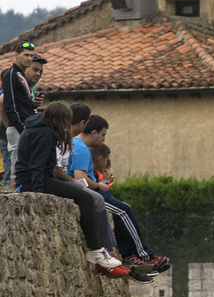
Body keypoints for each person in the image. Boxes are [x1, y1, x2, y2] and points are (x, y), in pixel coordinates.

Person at [14, 101, 125, 273]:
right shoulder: (45, 133)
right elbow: (37, 166)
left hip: (33, 179)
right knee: (87, 198)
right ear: (62, 119)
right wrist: (38, 193)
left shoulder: (37, 127)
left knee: (85, 196)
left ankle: (98, 249)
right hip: (34, 181)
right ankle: (96, 249)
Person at [70, 116, 169, 280]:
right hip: (89, 195)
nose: (103, 139)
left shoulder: (81, 147)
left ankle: (131, 259)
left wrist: (100, 184)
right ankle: (144, 255)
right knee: (123, 210)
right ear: (93, 132)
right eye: (103, 135)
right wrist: (99, 186)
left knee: (121, 211)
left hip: (93, 193)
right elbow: (80, 178)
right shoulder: (81, 148)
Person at [2, 41, 42, 167]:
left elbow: (21, 104)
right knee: (17, 168)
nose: (29, 58)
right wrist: (22, 128)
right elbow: (10, 105)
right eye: (26, 55)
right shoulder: (11, 74)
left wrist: (33, 105)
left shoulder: (21, 76)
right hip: (18, 128)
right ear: (17, 55)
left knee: (25, 165)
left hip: (25, 127)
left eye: (31, 55)